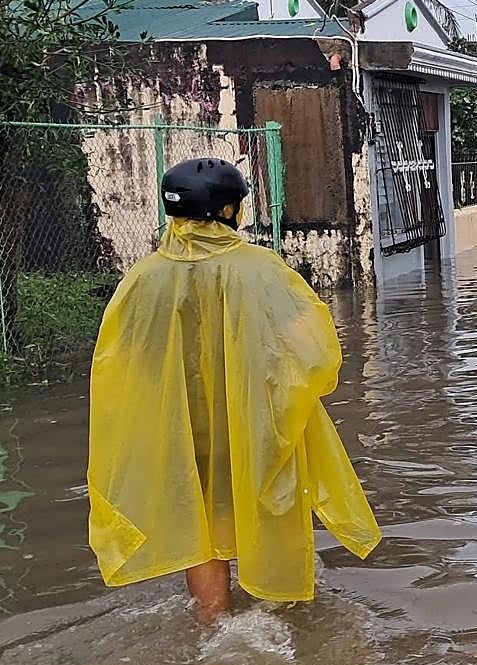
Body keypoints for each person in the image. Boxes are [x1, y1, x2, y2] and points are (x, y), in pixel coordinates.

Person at [88, 158, 381, 624]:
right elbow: (314, 351)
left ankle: (212, 617)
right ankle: (274, 612)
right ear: (228, 210)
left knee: (197, 519)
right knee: (267, 501)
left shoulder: (142, 278)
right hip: (254, 422)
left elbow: (121, 359)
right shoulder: (261, 269)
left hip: (180, 428)